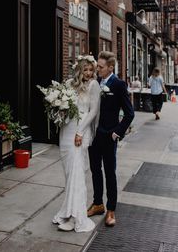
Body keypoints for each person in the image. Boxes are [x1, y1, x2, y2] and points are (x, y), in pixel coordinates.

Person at [52, 55, 101, 232]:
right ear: (79, 69)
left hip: (80, 132)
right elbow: (63, 106)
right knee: (69, 174)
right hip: (66, 130)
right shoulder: (69, 83)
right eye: (85, 69)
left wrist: (80, 131)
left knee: (76, 173)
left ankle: (75, 218)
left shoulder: (94, 85)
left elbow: (93, 111)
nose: (88, 73)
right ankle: (67, 211)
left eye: (91, 70)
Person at [87, 51, 135, 227]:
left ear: (110, 67)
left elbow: (130, 113)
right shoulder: (95, 82)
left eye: (100, 67)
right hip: (93, 136)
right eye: (97, 66)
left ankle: (111, 209)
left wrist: (117, 132)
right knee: (94, 170)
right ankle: (98, 203)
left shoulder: (119, 85)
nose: (97, 69)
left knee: (109, 173)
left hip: (109, 136)